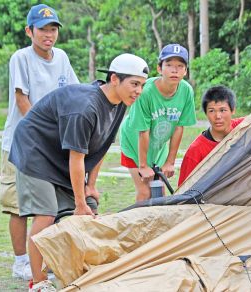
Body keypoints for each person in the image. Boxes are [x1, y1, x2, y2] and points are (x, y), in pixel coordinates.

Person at [9, 53, 149, 291]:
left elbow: (101, 147)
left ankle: (81, 271)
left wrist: (90, 186)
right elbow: (77, 158)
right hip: (35, 150)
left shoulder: (119, 104)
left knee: (91, 211)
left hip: (60, 156)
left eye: (142, 85)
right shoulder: (85, 107)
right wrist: (79, 202)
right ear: (114, 79)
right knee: (46, 214)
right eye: (134, 84)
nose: (138, 91)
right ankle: (39, 282)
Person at [0, 3, 78, 281]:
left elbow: (71, 95)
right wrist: (44, 133)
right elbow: (23, 101)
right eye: (43, 29)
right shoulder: (21, 58)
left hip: (51, 147)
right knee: (18, 206)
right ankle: (20, 261)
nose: (49, 35)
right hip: (20, 144)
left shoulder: (62, 58)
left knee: (48, 207)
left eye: (53, 29)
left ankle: (43, 259)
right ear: (29, 31)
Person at [119, 44, 197, 202]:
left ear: (185, 71)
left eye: (180, 66)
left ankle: (155, 227)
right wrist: (143, 166)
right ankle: (138, 225)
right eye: (169, 65)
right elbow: (143, 131)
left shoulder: (186, 91)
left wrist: (170, 162)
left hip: (157, 146)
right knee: (145, 192)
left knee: (159, 192)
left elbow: (179, 127)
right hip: (134, 144)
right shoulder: (146, 92)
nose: (174, 70)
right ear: (160, 68)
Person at [178, 85, 245, 186]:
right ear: (205, 113)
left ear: (233, 110)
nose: (218, 116)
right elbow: (184, 191)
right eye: (212, 111)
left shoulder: (245, 126)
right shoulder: (196, 151)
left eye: (223, 110)